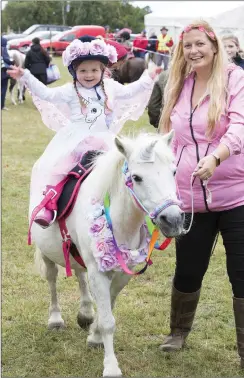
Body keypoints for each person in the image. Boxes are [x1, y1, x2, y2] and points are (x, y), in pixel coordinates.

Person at [158, 20, 244, 368]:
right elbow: (168, 136)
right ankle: (178, 331)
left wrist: (216, 156)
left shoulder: (236, 79)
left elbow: (240, 127)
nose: (194, 51)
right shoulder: (179, 83)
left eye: (200, 44)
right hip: (190, 196)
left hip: (237, 195)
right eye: (188, 45)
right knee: (189, 270)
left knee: (241, 273)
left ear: (213, 46)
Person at [7, 36, 161, 228]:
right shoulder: (69, 90)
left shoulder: (111, 87)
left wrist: (148, 78)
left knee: (122, 171)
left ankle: (124, 210)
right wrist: (26, 76)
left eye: (94, 70)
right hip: (76, 140)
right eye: (83, 70)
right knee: (58, 170)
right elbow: (47, 94)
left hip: (105, 140)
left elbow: (131, 91)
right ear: (73, 71)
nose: (89, 75)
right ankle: (50, 205)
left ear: (103, 70)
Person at [1, 36, 13, 110]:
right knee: (3, 88)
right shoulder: (3, 49)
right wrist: (12, 62)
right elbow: (6, 59)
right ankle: (1, 105)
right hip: (2, 72)